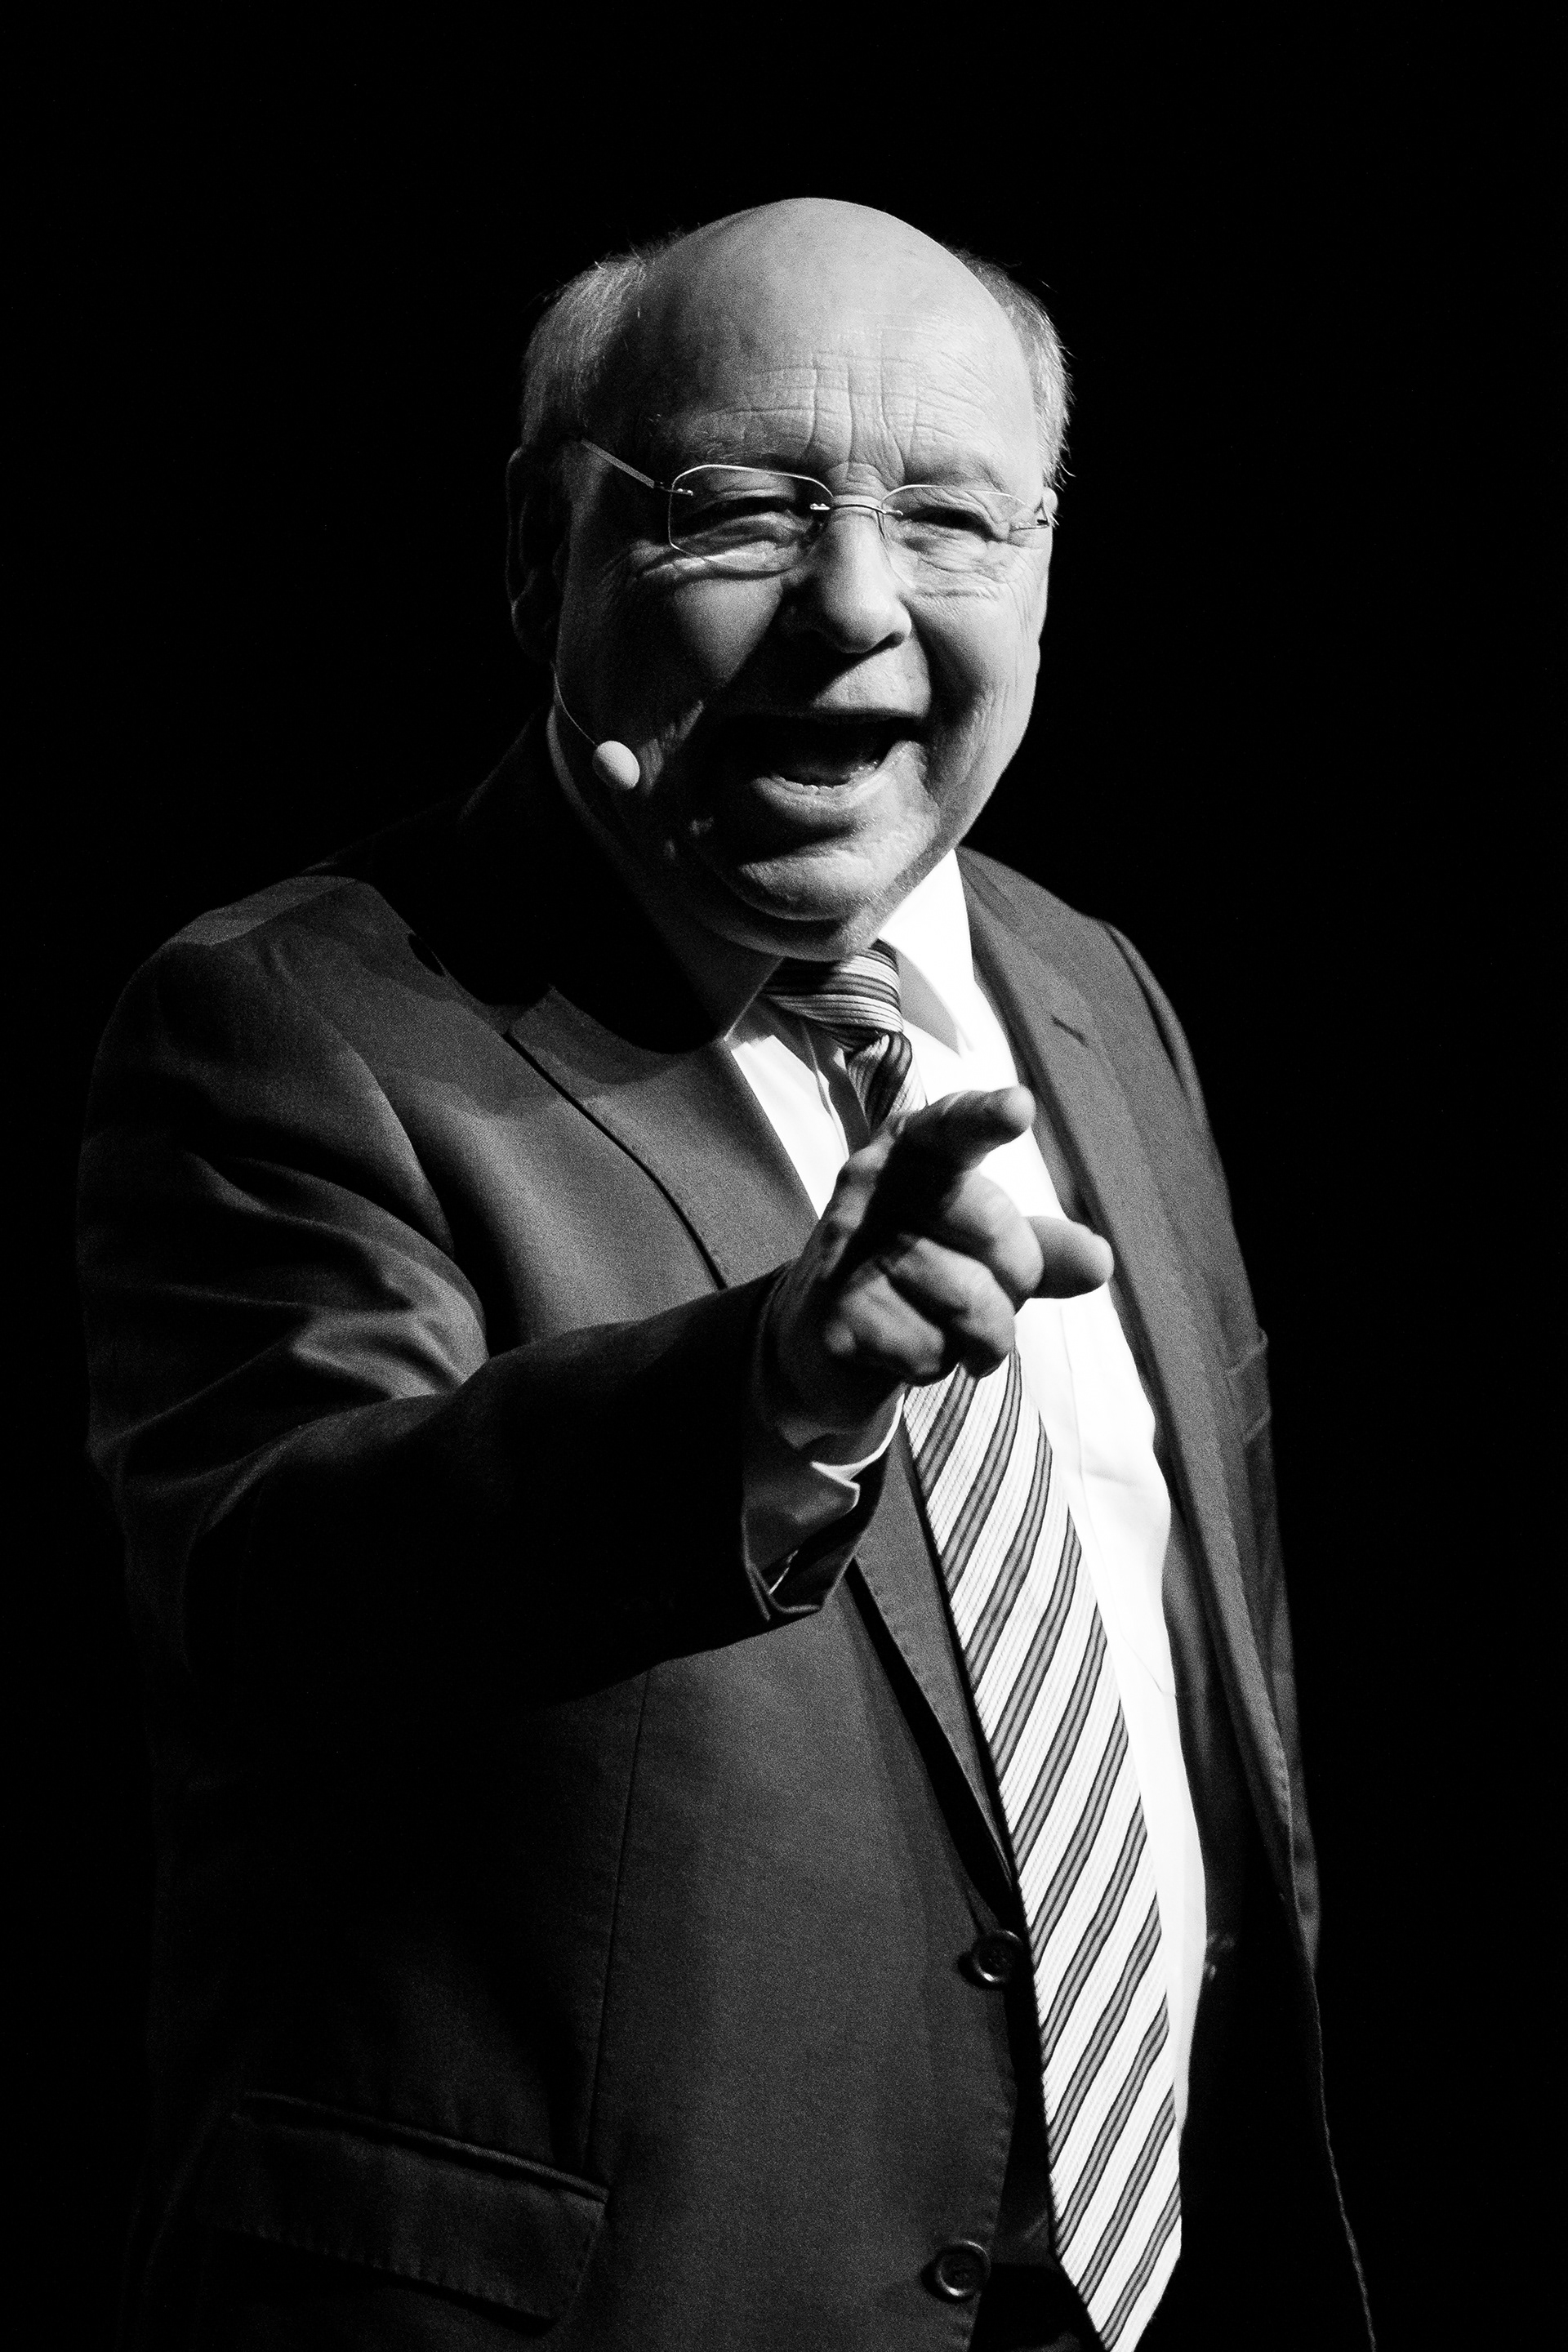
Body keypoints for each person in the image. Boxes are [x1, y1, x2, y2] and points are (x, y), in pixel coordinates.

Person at [79, 198, 1372, 2350]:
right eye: (739, 511)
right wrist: (764, 1399)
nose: (855, 607)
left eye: (950, 520)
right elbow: (278, 1600)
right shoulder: (290, 1025)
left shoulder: (1094, 991)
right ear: (541, 550)